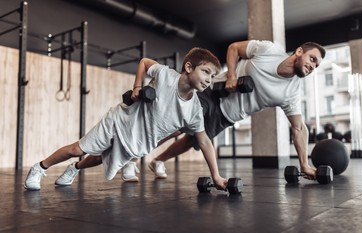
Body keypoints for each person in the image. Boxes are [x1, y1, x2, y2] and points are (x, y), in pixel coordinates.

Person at [24, 47, 228, 191]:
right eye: (206, 72)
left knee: (100, 158)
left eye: (213, 76)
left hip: (136, 142)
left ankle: (74, 169)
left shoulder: (194, 110)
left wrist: (216, 176)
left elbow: (204, 142)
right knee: (78, 149)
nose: (209, 79)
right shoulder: (166, 76)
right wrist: (138, 87)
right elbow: (145, 62)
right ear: (189, 67)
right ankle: (40, 168)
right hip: (119, 121)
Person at [139, 40, 326, 181]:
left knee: (192, 140)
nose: (312, 66)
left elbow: (299, 128)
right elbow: (234, 48)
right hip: (213, 93)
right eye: (312, 59)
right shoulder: (268, 50)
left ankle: (157, 161)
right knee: (180, 124)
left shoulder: (291, 92)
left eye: (316, 65)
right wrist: (232, 75)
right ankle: (135, 153)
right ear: (299, 51)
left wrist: (304, 164)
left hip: (227, 116)